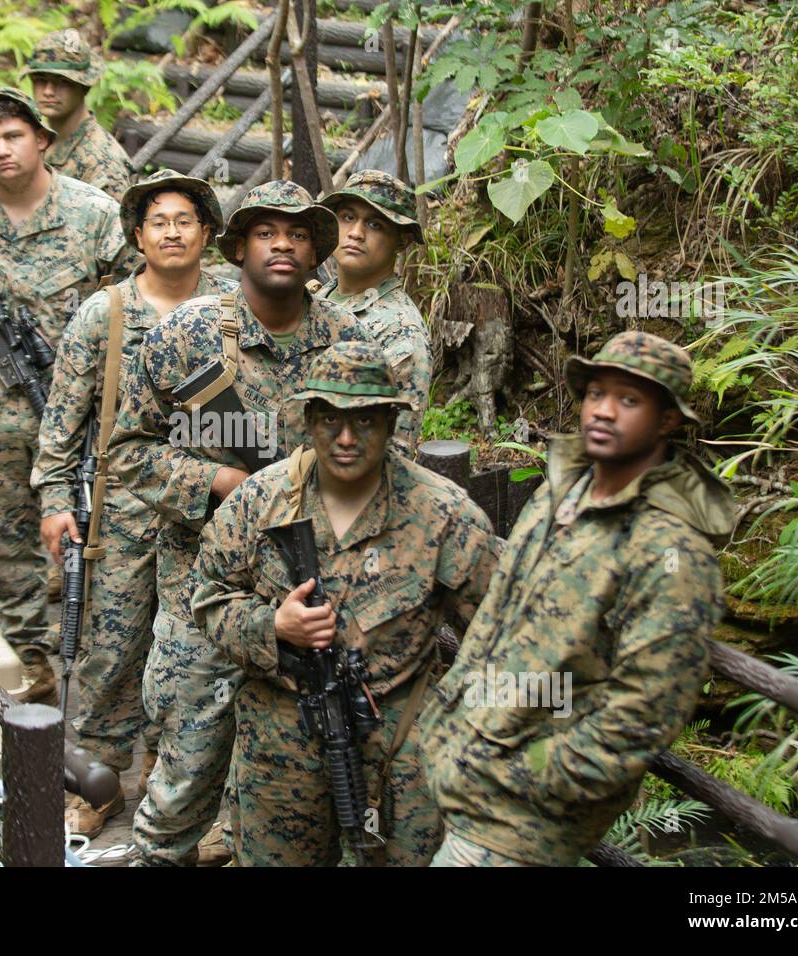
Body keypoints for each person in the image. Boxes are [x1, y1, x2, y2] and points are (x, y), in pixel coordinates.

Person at [108, 180, 368, 865]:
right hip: (203, 592)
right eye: (265, 232)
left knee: (306, 777)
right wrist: (220, 483)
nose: (283, 244)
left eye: (299, 234)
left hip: (309, 593)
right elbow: (127, 453)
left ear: (317, 252)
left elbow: (381, 459)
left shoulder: (347, 340)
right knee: (185, 776)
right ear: (238, 246)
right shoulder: (187, 335)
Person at [420, 331, 735, 866]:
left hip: (525, 817)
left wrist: (534, 771)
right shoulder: (560, 494)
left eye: (629, 400)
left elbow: (647, 710)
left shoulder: (670, 550)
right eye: (596, 394)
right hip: (469, 769)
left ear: (667, 421)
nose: (605, 411)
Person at [191, 341, 502, 866]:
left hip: (404, 746)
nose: (346, 438)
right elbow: (208, 599)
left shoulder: (443, 514)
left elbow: (503, 636)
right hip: (282, 738)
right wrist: (273, 627)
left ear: (390, 423)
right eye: (330, 419)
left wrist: (465, 724)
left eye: (365, 421)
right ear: (309, 420)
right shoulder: (259, 501)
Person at [31, 170, 237, 836]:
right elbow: (64, 415)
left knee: (195, 650)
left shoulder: (236, 304)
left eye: (185, 220)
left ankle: (180, 781)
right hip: (123, 509)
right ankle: (97, 781)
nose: (172, 232)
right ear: (137, 236)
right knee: (111, 649)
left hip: (209, 508)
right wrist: (57, 499)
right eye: (158, 222)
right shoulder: (107, 312)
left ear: (208, 231)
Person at [0, 88, 134, 704]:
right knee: (2, 542)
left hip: (85, 418)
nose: (3, 150)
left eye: (14, 136)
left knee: (94, 535)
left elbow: (132, 309)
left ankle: (98, 662)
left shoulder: (97, 216)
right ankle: (32, 662)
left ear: (42, 139)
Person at [316, 171, 431, 451]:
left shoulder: (400, 334)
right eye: (347, 217)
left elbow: (391, 451)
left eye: (375, 224)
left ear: (401, 240)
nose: (356, 233)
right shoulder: (318, 297)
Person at [25, 29, 132, 200]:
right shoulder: (36, 141)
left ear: (84, 86)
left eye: (63, 82)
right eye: (40, 80)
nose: (48, 91)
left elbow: (114, 224)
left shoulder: (102, 162)